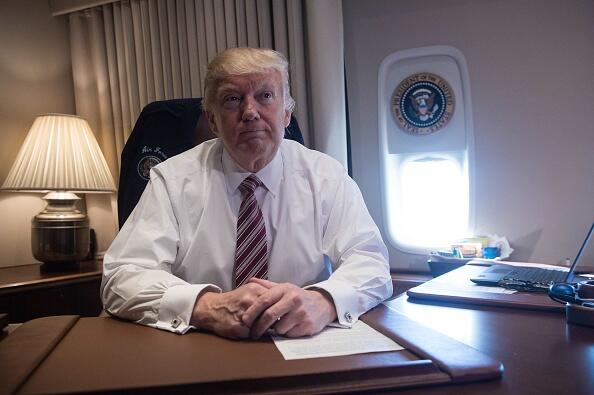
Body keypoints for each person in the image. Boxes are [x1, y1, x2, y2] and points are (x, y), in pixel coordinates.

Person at [101, 47, 392, 340]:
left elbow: (370, 262)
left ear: (287, 113)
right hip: (202, 342)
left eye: (265, 96)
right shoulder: (172, 180)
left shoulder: (326, 176)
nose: (250, 112)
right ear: (212, 120)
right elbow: (121, 277)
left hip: (300, 342)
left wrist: (324, 301)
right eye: (232, 99)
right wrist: (207, 307)